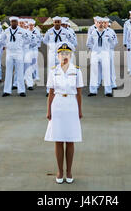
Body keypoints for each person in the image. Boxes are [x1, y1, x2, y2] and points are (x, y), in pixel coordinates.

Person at [45, 42, 83, 184]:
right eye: (62, 54)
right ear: (58, 56)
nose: (64, 56)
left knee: (71, 139)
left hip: (71, 104)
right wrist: (49, 111)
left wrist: (80, 110)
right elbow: (50, 93)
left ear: (71, 55)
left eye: (67, 54)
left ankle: (69, 171)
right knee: (59, 139)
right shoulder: (53, 71)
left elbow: (79, 93)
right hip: (58, 105)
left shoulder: (77, 71)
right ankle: (60, 171)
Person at [87, 17, 117, 97]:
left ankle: (108, 91)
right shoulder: (93, 33)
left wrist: (106, 49)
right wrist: (94, 49)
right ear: (96, 24)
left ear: (104, 24)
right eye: (99, 23)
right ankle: (93, 91)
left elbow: (113, 43)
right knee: (94, 72)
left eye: (102, 23)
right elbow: (88, 43)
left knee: (106, 72)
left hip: (105, 54)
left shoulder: (108, 33)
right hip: (95, 54)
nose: (100, 24)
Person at [43, 16, 73, 96]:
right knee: (51, 71)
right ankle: (49, 90)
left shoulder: (65, 31)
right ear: (53, 23)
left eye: (58, 22)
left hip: (62, 53)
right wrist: (51, 46)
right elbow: (45, 40)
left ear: (61, 22)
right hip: (52, 53)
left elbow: (71, 40)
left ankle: (63, 89)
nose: (57, 23)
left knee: (63, 71)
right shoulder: (49, 31)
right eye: (55, 22)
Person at [2, 17, 30, 97]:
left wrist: (21, 44)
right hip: (10, 53)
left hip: (18, 52)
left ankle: (21, 90)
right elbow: (2, 39)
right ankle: (7, 91)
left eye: (15, 21)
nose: (14, 23)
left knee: (20, 72)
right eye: (12, 21)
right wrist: (6, 44)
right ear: (10, 23)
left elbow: (28, 40)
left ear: (17, 23)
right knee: (8, 72)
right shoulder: (7, 31)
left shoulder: (22, 31)